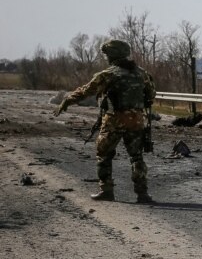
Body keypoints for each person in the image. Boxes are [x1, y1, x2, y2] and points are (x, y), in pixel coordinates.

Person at [54, 39, 157, 203]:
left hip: (113, 120)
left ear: (113, 56)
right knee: (137, 157)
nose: (106, 58)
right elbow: (151, 96)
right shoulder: (142, 73)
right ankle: (142, 194)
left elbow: (85, 91)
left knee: (104, 155)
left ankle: (106, 190)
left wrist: (67, 100)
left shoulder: (108, 74)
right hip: (136, 121)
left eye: (107, 55)